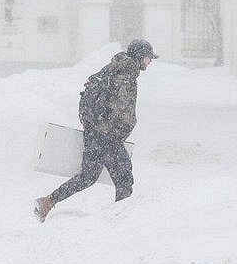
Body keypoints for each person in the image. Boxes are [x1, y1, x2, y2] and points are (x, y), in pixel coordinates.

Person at [34, 39, 158, 223]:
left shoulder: (116, 68)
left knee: (88, 177)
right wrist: (117, 134)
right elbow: (120, 110)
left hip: (95, 133)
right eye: (148, 58)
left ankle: (48, 201)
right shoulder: (124, 75)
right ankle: (122, 222)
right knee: (124, 179)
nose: (149, 62)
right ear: (140, 56)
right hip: (107, 136)